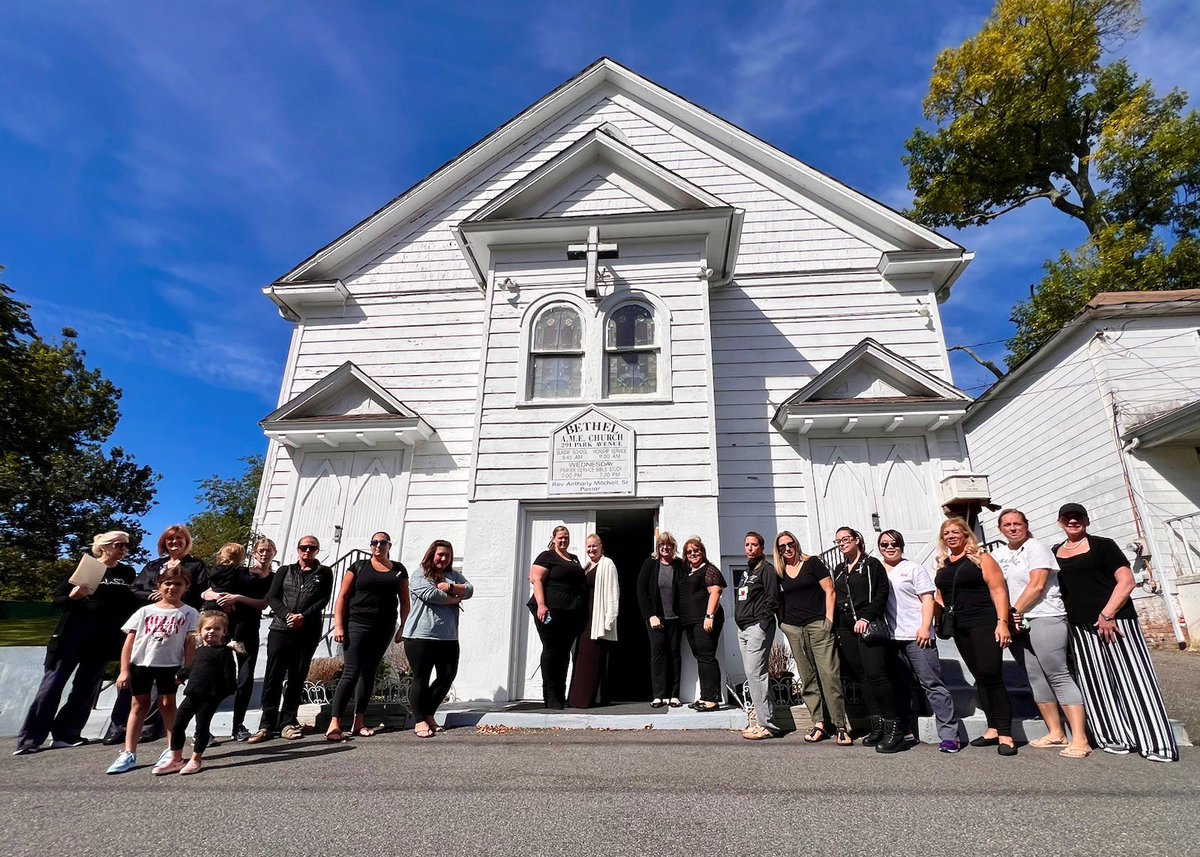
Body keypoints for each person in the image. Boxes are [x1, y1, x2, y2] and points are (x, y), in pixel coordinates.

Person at [1054, 503, 1178, 762]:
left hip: (1116, 622)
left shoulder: (1103, 545)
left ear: (1086, 521)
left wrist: (1107, 614)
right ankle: (1115, 737)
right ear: (1060, 522)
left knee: (1134, 680)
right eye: (1068, 518)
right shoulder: (1055, 552)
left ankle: (1155, 743)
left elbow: (1127, 581)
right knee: (1097, 684)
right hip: (1080, 627)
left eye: (1078, 517)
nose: (1073, 522)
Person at [15, 531, 139, 755]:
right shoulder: (86, 567)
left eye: (125, 546)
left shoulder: (127, 572)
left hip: (103, 639)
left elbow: (133, 600)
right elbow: (58, 599)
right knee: (52, 686)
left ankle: (66, 733)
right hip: (73, 635)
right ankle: (30, 739)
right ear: (103, 547)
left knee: (86, 688)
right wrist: (73, 596)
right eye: (119, 545)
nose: (123, 550)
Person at [993, 509, 1091, 758]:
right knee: (1035, 676)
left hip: (1044, 617)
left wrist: (1015, 611)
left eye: (1017, 523)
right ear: (1000, 529)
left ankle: (1080, 738)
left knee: (1057, 674)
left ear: (1026, 525)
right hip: (1016, 622)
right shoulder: (999, 554)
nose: (1012, 528)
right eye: (1007, 524)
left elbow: (1037, 585)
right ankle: (1055, 732)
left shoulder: (1036, 548)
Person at [102, 524, 209, 747]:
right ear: (164, 543)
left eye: (179, 539)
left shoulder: (195, 565)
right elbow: (135, 589)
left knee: (166, 690)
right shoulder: (154, 565)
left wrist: (174, 600)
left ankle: (152, 728)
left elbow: (199, 593)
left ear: (186, 542)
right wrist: (154, 595)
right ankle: (118, 727)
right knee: (133, 686)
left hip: (176, 626)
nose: (174, 543)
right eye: (170, 540)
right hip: (149, 627)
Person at [934, 517, 1016, 756]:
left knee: (992, 674)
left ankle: (1006, 734)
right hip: (959, 626)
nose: (950, 536)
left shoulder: (982, 558)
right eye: (946, 533)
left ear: (966, 534)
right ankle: (992, 728)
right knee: (980, 675)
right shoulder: (943, 564)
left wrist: (1003, 623)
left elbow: (998, 590)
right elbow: (941, 597)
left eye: (955, 532)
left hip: (984, 621)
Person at [105, 565, 200, 774]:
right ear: (159, 586)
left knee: (167, 704)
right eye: (167, 583)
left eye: (178, 584)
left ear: (186, 587)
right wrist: (124, 670)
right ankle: (129, 752)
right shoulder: (145, 611)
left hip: (170, 665)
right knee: (139, 705)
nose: (172, 588)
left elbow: (189, 643)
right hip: (142, 664)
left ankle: (171, 749)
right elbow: (129, 643)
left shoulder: (189, 613)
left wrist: (187, 669)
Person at [878, 529, 963, 754]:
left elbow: (928, 599)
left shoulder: (913, 568)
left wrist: (926, 627)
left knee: (932, 684)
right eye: (884, 544)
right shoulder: (877, 570)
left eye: (894, 543)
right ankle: (905, 730)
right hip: (891, 637)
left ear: (901, 545)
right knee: (900, 686)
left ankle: (950, 735)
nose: (889, 547)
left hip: (917, 635)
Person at [247, 536, 333, 744]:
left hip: (307, 630)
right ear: (298, 549)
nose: (307, 551)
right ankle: (266, 724)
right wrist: (287, 615)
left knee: (297, 677)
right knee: (273, 677)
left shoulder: (324, 572)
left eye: (312, 548)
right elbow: (273, 597)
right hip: (281, 629)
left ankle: (287, 721)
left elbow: (324, 599)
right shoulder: (285, 571)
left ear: (317, 551)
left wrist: (304, 615)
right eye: (304, 547)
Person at [326, 532, 410, 741]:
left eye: (382, 542)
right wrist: (338, 625)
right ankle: (334, 723)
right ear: (370, 545)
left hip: (384, 627)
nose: (378, 546)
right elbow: (342, 596)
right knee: (351, 671)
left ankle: (358, 722)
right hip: (356, 623)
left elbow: (405, 600)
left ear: (389, 545)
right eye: (374, 542)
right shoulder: (358, 567)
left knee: (369, 672)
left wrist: (403, 627)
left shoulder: (398, 570)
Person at [774, 530, 850, 745]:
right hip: (794, 629)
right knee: (807, 678)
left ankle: (840, 726)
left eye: (790, 544)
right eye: (782, 546)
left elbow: (830, 590)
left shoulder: (813, 563)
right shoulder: (780, 571)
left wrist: (828, 622)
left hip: (818, 625)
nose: (787, 548)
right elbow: (779, 600)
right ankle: (819, 724)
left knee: (829, 674)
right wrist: (783, 624)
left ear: (796, 544)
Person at [832, 526, 904, 753]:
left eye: (845, 539)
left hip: (868, 626)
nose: (842, 543)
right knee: (862, 678)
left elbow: (882, 594)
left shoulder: (872, 565)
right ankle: (877, 726)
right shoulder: (840, 570)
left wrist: (866, 616)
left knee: (877, 677)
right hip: (847, 629)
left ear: (857, 540)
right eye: (838, 541)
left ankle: (895, 730)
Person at [154, 611, 241, 775]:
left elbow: (230, 678)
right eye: (208, 628)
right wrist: (181, 675)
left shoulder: (224, 652)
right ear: (200, 631)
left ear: (224, 632)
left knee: (202, 727)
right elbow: (194, 668)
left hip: (210, 697)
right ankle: (176, 759)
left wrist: (221, 694)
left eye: (217, 629)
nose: (212, 632)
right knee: (178, 724)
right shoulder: (200, 650)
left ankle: (196, 759)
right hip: (192, 694)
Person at [206, 538, 275, 741]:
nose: (264, 553)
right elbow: (209, 590)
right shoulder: (240, 572)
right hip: (227, 629)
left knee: (245, 680)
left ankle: (238, 726)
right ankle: (204, 730)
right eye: (261, 550)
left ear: (274, 553)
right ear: (254, 553)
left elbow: (263, 604)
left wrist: (237, 598)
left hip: (248, 631)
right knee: (217, 679)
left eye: (269, 550)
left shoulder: (274, 577)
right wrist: (221, 598)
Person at [404, 539, 473, 737]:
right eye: (440, 554)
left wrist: (450, 587)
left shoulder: (453, 575)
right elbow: (432, 595)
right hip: (420, 635)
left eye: (447, 555)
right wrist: (455, 597)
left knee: (447, 675)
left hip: (448, 637)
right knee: (421, 678)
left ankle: (428, 713)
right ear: (432, 554)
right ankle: (419, 721)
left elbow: (469, 590)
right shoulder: (420, 574)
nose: (443, 558)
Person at [527, 525, 586, 709]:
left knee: (564, 654)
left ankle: (561, 696)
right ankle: (551, 698)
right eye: (560, 537)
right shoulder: (546, 556)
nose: (564, 540)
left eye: (566, 537)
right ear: (553, 538)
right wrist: (542, 605)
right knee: (552, 651)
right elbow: (535, 578)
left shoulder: (573, 559)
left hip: (570, 612)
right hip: (550, 610)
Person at [734, 531, 780, 739]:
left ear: (761, 547)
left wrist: (762, 624)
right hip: (743, 628)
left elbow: (772, 599)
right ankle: (761, 721)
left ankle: (767, 725)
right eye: (747, 545)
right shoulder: (747, 571)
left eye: (754, 544)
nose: (749, 548)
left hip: (757, 627)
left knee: (756, 675)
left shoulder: (767, 569)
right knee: (753, 676)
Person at [567, 534, 620, 709]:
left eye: (594, 546)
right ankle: (576, 699)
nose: (591, 550)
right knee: (581, 657)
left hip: (597, 618)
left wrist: (610, 619)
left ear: (601, 546)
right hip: (584, 618)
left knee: (592, 658)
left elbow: (613, 592)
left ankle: (587, 700)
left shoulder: (607, 564)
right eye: (588, 547)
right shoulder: (587, 566)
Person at [677, 536, 726, 712]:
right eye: (689, 552)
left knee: (706, 656)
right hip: (691, 622)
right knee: (701, 658)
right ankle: (705, 697)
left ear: (702, 552)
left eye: (696, 550)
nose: (693, 554)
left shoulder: (709, 570)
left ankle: (711, 700)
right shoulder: (689, 572)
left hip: (704, 620)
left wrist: (709, 616)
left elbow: (716, 591)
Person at [637, 532, 684, 708]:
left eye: (668, 544)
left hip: (676, 619)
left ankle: (674, 695)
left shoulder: (679, 565)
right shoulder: (650, 563)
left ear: (673, 547)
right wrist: (650, 615)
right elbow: (641, 591)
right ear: (658, 547)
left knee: (675, 655)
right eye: (662, 544)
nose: (665, 547)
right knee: (658, 655)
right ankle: (659, 695)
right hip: (656, 619)